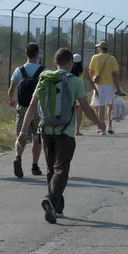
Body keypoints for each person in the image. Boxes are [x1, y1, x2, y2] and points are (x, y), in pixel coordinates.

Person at [17, 48, 106, 223]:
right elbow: (86, 108)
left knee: (51, 170)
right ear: (70, 63)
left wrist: (23, 131)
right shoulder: (75, 81)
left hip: (46, 131)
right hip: (65, 132)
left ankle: (57, 209)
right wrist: (99, 123)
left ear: (55, 63)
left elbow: (32, 106)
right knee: (61, 169)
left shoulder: (44, 78)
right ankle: (50, 199)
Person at [8, 43, 45, 178]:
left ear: (26, 53)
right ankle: (35, 166)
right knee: (37, 137)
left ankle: (18, 157)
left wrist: (11, 99)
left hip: (22, 108)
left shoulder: (19, 70)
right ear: (37, 54)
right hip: (36, 108)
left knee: (21, 134)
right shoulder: (43, 71)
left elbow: (11, 89)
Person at [89, 41, 123, 135]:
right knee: (109, 105)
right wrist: (118, 89)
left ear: (100, 48)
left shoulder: (94, 58)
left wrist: (92, 85)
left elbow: (90, 73)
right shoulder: (112, 59)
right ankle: (109, 125)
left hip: (98, 85)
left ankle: (101, 127)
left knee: (100, 106)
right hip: (109, 85)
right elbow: (114, 75)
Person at [71, 53, 99, 136]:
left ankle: (70, 129)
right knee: (79, 112)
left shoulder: (69, 70)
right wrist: (95, 89)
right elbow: (90, 80)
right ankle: (77, 130)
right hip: (81, 93)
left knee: (71, 112)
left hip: (71, 92)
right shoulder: (83, 70)